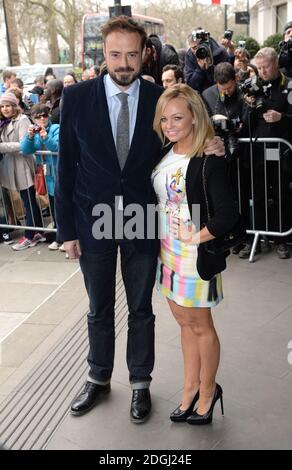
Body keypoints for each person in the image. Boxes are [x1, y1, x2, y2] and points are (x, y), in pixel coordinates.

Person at [55, 15, 225, 424]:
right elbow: (66, 168)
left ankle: (139, 383)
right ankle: (97, 378)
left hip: (144, 219)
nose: (123, 62)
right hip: (92, 219)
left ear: (144, 54)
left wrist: (214, 144)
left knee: (140, 309)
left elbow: (189, 132)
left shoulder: (157, 100)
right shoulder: (76, 97)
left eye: (132, 54)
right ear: (104, 53)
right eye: (115, 54)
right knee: (98, 308)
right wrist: (66, 231)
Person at [152, 84, 239, 424]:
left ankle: (207, 391)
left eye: (177, 117)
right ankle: (189, 389)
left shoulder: (207, 158)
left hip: (194, 255)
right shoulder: (163, 153)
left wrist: (195, 235)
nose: (170, 125)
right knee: (184, 324)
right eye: (164, 119)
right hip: (166, 252)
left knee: (201, 326)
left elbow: (228, 216)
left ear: (194, 118)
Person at [0, 93, 45, 250]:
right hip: (11, 166)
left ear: (14, 106)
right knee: (28, 200)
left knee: (28, 202)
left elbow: (23, 145)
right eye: (3, 106)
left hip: (23, 165)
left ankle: (29, 235)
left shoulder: (23, 119)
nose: (5, 109)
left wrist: (2, 146)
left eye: (8, 105)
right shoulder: (4, 122)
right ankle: (39, 230)